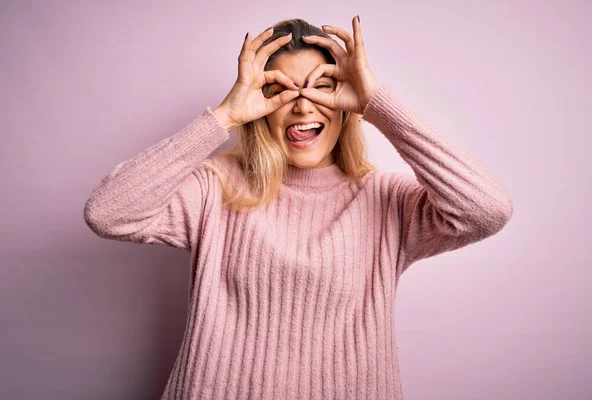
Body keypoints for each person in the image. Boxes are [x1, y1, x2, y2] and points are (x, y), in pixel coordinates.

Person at [84, 16, 513, 400]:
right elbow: (109, 213)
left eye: (321, 87)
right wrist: (224, 117)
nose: (304, 106)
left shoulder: (387, 201)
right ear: (260, 105)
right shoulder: (215, 187)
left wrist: (378, 105)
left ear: (346, 104)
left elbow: (486, 210)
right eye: (281, 90)